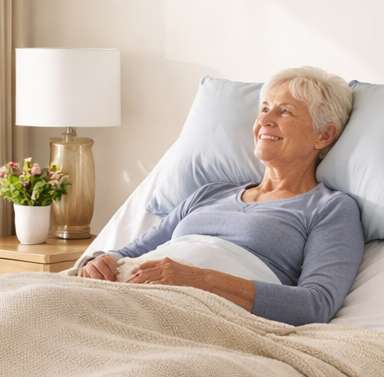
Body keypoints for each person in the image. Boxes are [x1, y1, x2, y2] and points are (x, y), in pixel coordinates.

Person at [79, 67, 364, 326]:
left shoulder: (331, 208)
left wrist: (200, 279)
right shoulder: (209, 193)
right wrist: (98, 262)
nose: (265, 119)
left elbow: (315, 305)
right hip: (128, 293)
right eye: (264, 109)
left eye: (285, 111)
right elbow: (127, 253)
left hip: (199, 316)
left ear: (324, 136)